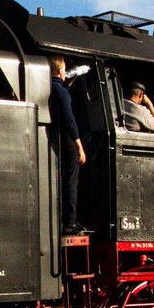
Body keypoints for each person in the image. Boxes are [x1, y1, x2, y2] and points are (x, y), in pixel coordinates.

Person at [48, 57, 86, 234]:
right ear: (61, 70)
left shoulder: (51, 87)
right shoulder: (61, 92)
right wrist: (79, 146)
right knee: (72, 179)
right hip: (66, 139)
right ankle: (70, 221)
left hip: (54, 137)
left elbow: (60, 94)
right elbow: (70, 121)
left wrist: (69, 83)